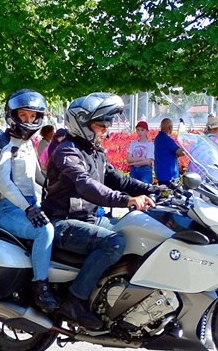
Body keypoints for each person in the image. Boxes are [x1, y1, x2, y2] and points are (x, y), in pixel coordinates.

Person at [42, 93, 161, 330]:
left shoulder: (94, 151)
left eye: (107, 124)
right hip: (61, 222)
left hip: (86, 220)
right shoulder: (67, 151)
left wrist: (157, 189)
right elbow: (85, 185)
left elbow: (119, 180)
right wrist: (127, 201)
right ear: (83, 124)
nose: (106, 129)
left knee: (138, 233)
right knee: (114, 243)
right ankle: (75, 300)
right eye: (100, 124)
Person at [0, 90, 57, 310]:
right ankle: (40, 286)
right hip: (9, 208)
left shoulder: (28, 143)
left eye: (33, 116)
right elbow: (2, 181)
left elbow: (38, 177)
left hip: (29, 206)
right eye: (23, 115)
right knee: (44, 230)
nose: (28, 121)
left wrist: (63, 186)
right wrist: (28, 207)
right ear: (13, 115)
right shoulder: (4, 143)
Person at [153, 118, 184, 185]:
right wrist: (187, 148)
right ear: (170, 127)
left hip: (160, 174)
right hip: (169, 175)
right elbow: (179, 152)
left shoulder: (157, 138)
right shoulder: (167, 140)